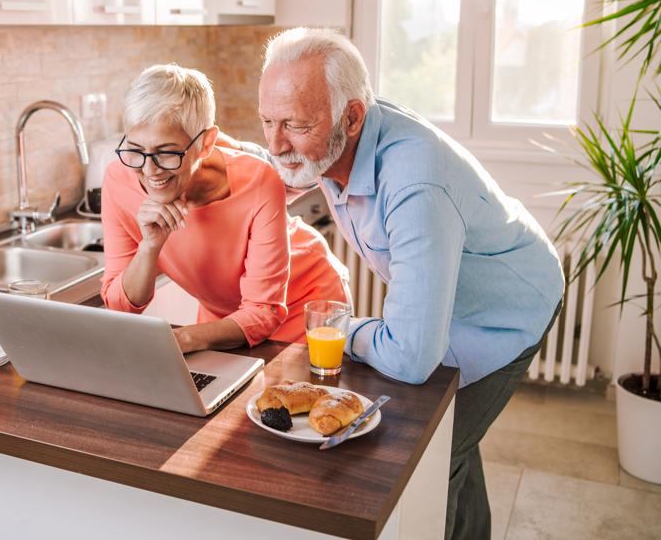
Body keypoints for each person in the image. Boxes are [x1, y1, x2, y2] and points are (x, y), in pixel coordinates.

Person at [236, 27, 564, 539]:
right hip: (448, 299)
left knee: (437, 453)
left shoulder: (415, 182)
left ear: (352, 117)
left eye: (295, 125)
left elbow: (412, 358)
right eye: (267, 121)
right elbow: (268, 160)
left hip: (508, 307)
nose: (277, 143)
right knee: (454, 439)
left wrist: (348, 328)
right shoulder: (330, 138)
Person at [100, 63, 350, 353]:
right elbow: (119, 305)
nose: (149, 169)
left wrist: (183, 339)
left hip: (305, 306)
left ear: (205, 144)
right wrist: (150, 246)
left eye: (166, 153)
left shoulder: (258, 180)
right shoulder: (119, 180)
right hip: (224, 322)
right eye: (136, 149)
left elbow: (262, 311)